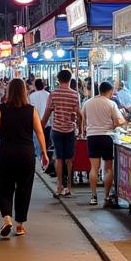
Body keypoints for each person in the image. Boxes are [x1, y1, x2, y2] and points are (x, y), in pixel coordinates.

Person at [0, 78, 48, 237]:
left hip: (7, 153)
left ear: (8, 91)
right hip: (26, 154)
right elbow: (39, 132)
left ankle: (7, 218)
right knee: (24, 189)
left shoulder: (0, 109)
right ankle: (20, 226)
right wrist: (44, 153)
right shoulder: (31, 110)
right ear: (24, 91)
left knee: (4, 188)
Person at [83, 81, 126, 206]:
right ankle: (106, 197)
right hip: (107, 136)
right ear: (110, 91)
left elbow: (83, 117)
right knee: (108, 168)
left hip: (92, 137)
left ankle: (93, 196)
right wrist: (115, 124)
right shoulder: (111, 103)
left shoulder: (88, 103)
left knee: (94, 168)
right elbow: (120, 121)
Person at [41, 69, 83, 198]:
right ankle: (68, 187)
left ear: (58, 80)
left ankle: (59, 186)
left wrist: (41, 127)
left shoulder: (53, 94)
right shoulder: (75, 94)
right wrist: (81, 129)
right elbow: (79, 114)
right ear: (70, 79)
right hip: (70, 130)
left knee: (59, 158)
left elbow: (48, 112)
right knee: (69, 160)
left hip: (56, 130)